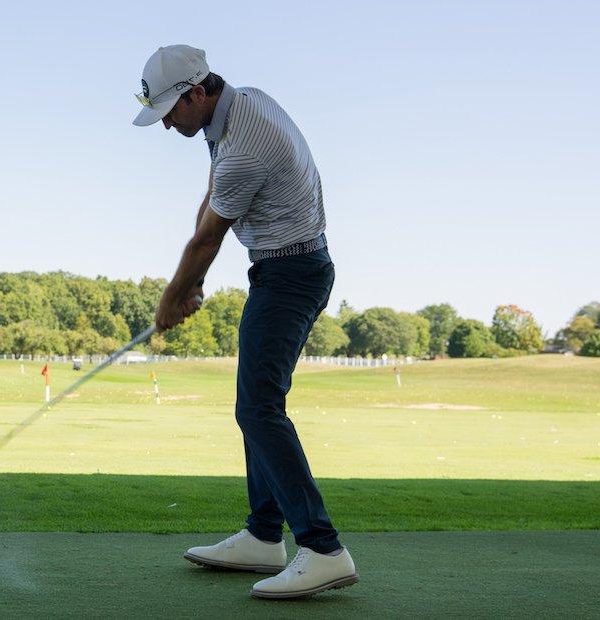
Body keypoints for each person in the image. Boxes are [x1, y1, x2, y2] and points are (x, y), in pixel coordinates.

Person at [135, 44, 358, 600]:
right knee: (256, 406)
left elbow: (208, 237)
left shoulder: (244, 146)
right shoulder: (236, 109)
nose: (165, 124)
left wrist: (173, 295)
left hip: (293, 274)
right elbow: (211, 200)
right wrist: (194, 284)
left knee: (258, 408)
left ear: (195, 93)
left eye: (169, 111)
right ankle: (263, 537)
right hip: (283, 268)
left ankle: (324, 548)